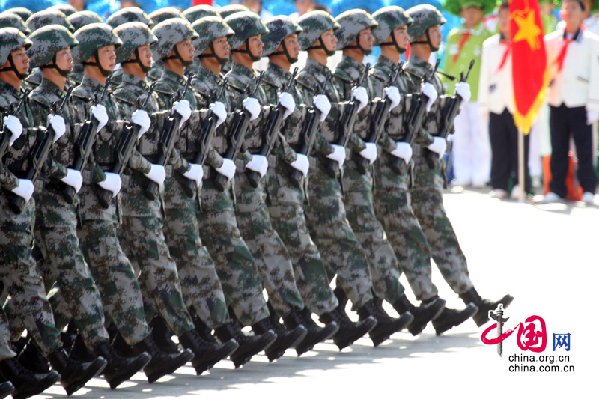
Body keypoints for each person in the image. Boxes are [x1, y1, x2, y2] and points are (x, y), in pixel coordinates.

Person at [69, 22, 195, 383]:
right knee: (101, 277)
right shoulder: (85, 99)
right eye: (108, 49)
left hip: (117, 202)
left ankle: (92, 351)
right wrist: (111, 172)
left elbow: (127, 151)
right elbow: (77, 154)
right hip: (87, 204)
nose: (114, 53)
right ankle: (134, 349)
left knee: (101, 280)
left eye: (116, 48)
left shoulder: (110, 97)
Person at [26, 24, 151, 389]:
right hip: (52, 207)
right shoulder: (45, 103)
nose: (115, 54)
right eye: (64, 52)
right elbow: (39, 158)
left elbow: (95, 152)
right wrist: (84, 175)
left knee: (57, 282)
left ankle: (49, 355)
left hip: (86, 205)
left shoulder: (78, 99)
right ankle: (99, 354)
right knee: (57, 281)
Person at [112, 19, 238, 375]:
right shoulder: (130, 95)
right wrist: (172, 166)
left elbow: (176, 144)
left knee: (150, 270)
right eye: (185, 44)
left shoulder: (159, 92)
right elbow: (124, 149)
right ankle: (186, 340)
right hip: (133, 197)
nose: (192, 50)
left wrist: (201, 163)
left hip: (163, 194)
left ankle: (128, 345)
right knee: (152, 269)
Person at [0, 26, 108, 396]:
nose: (26, 60)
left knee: (25, 288)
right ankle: (53, 363)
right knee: (29, 286)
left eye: (28, 53)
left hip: (22, 216)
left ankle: (24, 362)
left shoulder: (24, 101)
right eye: (19, 53)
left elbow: (40, 158)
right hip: (9, 210)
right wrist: (16, 185)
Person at [405, 4, 514, 332]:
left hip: (427, 173)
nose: (441, 34)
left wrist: (449, 109)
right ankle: (339, 305)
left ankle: (472, 304)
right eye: (435, 30)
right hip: (405, 175)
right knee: (392, 243)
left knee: (437, 237)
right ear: (420, 35)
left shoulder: (432, 75)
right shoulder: (408, 78)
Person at [222, 11, 309, 361]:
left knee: (252, 253)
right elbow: (223, 140)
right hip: (229, 186)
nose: (261, 43)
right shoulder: (230, 86)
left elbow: (265, 135)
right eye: (255, 38)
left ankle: (272, 322)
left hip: (253, 185)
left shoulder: (255, 83)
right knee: (233, 257)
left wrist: (288, 154)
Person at [296, 10, 380, 348]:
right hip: (316, 175)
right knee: (337, 243)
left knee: (325, 248)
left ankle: (328, 315)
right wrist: (333, 147)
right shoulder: (306, 81)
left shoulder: (327, 78)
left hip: (333, 173)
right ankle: (354, 315)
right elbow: (307, 130)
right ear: (315, 39)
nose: (335, 38)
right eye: (329, 34)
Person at [331, 8, 414, 345]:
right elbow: (333, 126)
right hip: (344, 172)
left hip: (362, 171)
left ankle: (346, 309)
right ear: (351, 37)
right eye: (365, 32)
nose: (372, 38)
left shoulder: (363, 75)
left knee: (350, 242)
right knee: (358, 239)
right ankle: (376, 309)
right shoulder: (341, 77)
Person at [542, 0, 599, 204]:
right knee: (558, 146)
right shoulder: (550, 40)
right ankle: (556, 188)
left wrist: (594, 104)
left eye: (573, 7)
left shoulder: (592, 41)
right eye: (565, 7)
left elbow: (596, 73)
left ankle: (588, 189)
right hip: (557, 98)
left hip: (581, 100)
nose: (568, 11)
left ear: (583, 13)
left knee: (584, 148)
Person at [478, 1, 532, 200]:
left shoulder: (525, 42)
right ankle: (499, 183)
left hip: (519, 103)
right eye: (501, 18)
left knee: (520, 146)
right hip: (496, 101)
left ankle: (521, 182)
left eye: (507, 18)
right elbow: (485, 75)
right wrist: (484, 103)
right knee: (498, 144)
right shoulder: (490, 44)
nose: (503, 22)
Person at [441, 0, 495, 188]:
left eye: (475, 9)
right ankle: (462, 175)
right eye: (467, 9)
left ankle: (481, 176)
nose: (471, 13)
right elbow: (448, 66)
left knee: (480, 136)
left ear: (481, 11)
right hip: (457, 96)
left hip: (479, 95)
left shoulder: (488, 36)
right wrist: (447, 91)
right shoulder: (454, 35)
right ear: (460, 11)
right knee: (461, 136)